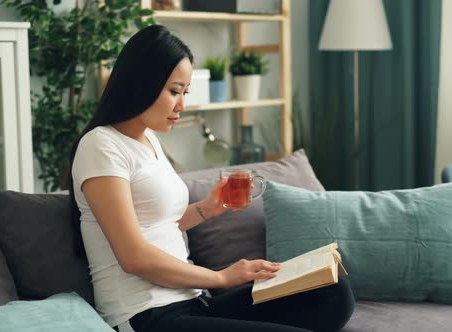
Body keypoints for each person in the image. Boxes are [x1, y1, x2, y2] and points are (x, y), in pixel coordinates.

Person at [68, 25, 355, 332]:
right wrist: (222, 277)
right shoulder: (100, 145)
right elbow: (134, 257)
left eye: (185, 93)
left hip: (195, 303)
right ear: (143, 84)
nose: (182, 106)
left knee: (332, 291)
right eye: (174, 92)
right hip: (147, 315)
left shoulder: (149, 139)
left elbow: (160, 224)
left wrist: (208, 207)